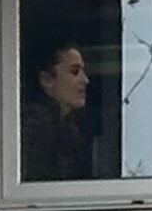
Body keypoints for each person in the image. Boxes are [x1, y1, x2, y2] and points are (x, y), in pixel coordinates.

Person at [22, 36, 96, 182]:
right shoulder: (34, 129)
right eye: (74, 72)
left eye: (83, 71)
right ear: (47, 80)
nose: (85, 80)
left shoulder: (69, 128)